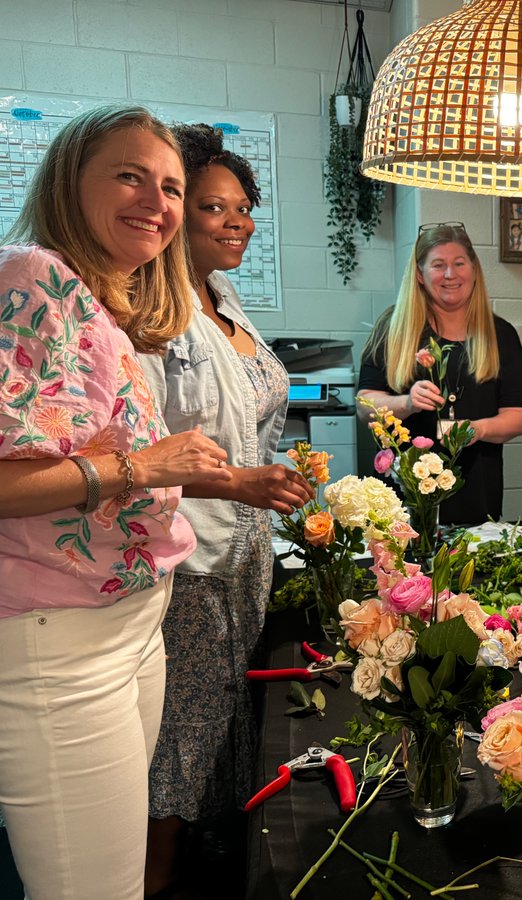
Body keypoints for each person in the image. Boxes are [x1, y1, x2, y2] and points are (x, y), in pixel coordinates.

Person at [0, 104, 233, 899]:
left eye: (170, 186)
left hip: (130, 620)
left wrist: (169, 470)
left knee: (116, 872)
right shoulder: (33, 278)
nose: (157, 202)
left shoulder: (100, 304)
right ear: (72, 179)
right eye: (129, 176)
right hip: (59, 638)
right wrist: (141, 466)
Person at [137, 123, 313, 896]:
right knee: (178, 743)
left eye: (244, 208)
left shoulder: (223, 297)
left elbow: (244, 422)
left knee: (224, 726)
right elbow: (138, 459)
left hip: (247, 554)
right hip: (192, 560)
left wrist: (267, 480)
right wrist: (240, 481)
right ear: (176, 219)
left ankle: (219, 871)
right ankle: (151, 881)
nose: (237, 222)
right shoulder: (149, 312)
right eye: (214, 207)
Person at [357, 223, 522, 524]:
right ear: (421, 275)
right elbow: (364, 405)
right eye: (439, 265)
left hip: (475, 494)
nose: (450, 275)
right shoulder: (393, 327)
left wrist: (476, 430)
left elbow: (518, 416)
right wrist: (406, 403)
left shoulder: (500, 334)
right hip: (402, 498)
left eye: (459, 263)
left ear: (474, 270)